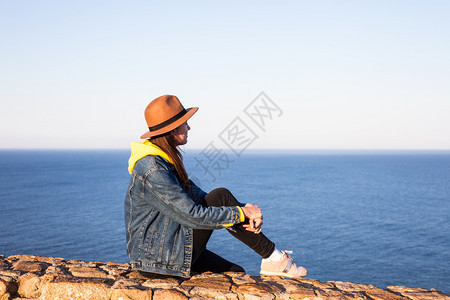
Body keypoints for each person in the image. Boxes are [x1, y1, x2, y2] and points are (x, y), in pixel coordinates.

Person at [124, 95, 307, 278]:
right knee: (221, 195)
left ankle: (272, 258)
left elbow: (198, 196)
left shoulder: (162, 161)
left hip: (167, 247)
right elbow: (191, 215)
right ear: (172, 130)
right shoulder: (153, 169)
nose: (189, 127)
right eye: (185, 123)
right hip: (157, 259)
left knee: (236, 273)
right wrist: (242, 213)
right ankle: (274, 258)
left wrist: (244, 211)